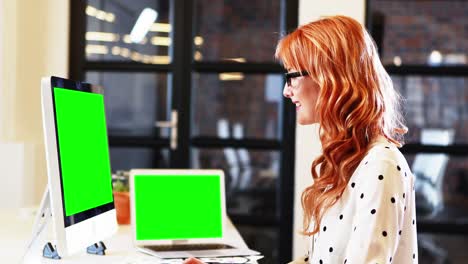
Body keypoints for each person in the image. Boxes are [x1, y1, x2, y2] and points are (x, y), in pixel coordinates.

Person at [185, 15, 418, 264]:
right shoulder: (346, 160)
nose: (286, 90)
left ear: (329, 77)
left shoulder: (381, 165)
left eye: (292, 76)